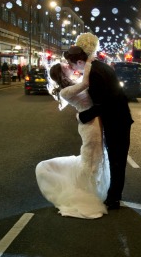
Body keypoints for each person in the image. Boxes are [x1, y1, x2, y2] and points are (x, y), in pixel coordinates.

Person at [64, 33, 133, 210]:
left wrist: (82, 117)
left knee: (117, 160)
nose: (73, 69)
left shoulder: (94, 72)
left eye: (73, 65)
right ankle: (113, 196)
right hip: (119, 118)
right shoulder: (98, 67)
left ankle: (114, 199)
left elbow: (102, 104)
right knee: (116, 159)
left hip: (116, 120)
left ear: (80, 61)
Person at [35, 63, 109, 219]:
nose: (68, 65)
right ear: (62, 73)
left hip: (94, 121)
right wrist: (89, 61)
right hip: (89, 126)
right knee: (91, 158)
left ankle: (94, 190)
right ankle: (88, 192)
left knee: (98, 156)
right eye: (64, 65)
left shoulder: (72, 84)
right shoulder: (65, 91)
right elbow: (86, 84)